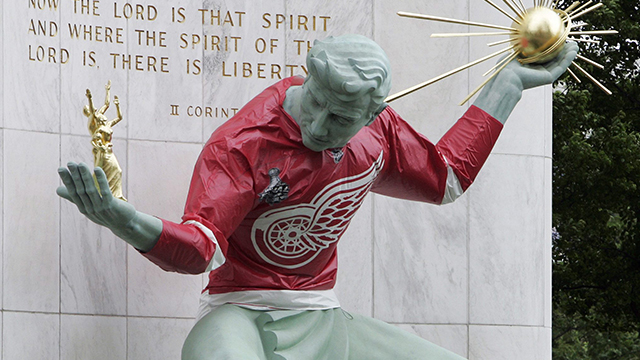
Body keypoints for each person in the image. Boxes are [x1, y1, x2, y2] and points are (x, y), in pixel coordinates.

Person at [58, 34, 578, 359]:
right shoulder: (244, 144)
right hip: (238, 313)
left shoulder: (381, 135)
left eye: (340, 118)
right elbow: (198, 249)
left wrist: (509, 84)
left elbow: (447, 180)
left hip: (324, 320)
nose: (318, 125)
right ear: (307, 80)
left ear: (373, 115)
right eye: (315, 103)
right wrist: (121, 219)